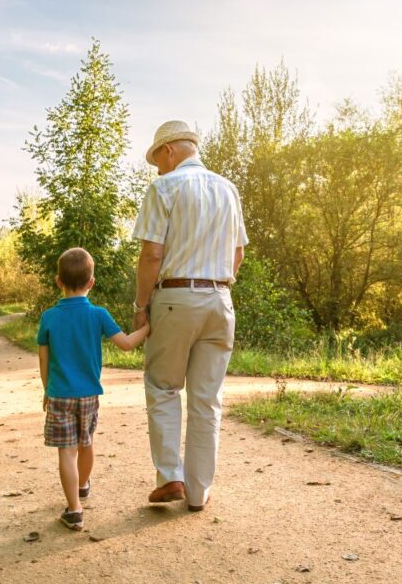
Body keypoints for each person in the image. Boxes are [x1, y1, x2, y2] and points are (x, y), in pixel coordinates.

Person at [131, 120, 248, 512]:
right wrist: (219, 285)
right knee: (206, 399)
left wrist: (140, 306)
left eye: (157, 160)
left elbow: (151, 254)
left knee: (164, 387)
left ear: (168, 151)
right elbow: (238, 254)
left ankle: (170, 478)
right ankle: (198, 492)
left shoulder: (164, 187)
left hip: (175, 298)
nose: (157, 169)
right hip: (221, 299)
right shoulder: (228, 189)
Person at [37, 247, 149, 530]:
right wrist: (149, 327)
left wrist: (47, 389)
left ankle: (74, 510)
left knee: (67, 451)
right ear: (91, 282)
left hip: (60, 394)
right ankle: (83, 484)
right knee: (85, 443)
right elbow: (125, 344)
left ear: (58, 281)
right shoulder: (98, 314)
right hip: (89, 394)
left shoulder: (49, 317)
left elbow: (44, 359)